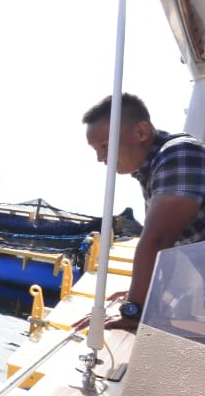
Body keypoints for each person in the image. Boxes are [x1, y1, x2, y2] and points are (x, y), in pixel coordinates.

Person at [80, 93, 205, 328]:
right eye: (96, 149)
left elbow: (157, 240)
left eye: (104, 145)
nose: (100, 158)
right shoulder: (153, 168)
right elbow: (166, 253)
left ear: (141, 132)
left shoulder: (179, 154)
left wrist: (133, 311)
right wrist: (139, 293)